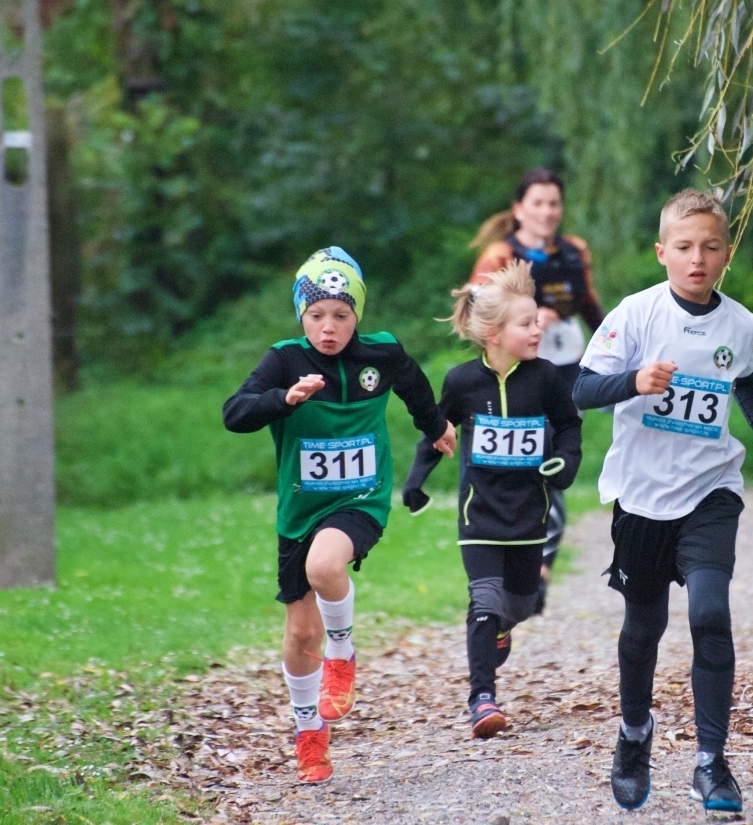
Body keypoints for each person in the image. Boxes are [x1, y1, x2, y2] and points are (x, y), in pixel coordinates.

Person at [573, 189, 753, 817]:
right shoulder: (636, 315)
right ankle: (634, 735)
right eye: (686, 247)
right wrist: (633, 382)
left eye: (711, 247)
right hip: (642, 496)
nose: (698, 258)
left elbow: (743, 378)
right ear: (662, 252)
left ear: (726, 254)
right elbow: (581, 388)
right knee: (644, 628)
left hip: (710, 490)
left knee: (709, 613)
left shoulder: (741, 323)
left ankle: (711, 763)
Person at [224, 247, 455, 784]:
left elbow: (416, 386)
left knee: (326, 567)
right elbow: (235, 413)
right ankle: (310, 737)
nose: (329, 328)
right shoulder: (284, 360)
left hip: (360, 499)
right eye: (316, 316)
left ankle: (344, 655)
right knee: (301, 633)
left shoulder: (381, 354)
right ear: (301, 317)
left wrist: (435, 425)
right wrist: (285, 398)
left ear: (359, 315)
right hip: (299, 510)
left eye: (341, 315)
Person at [401, 262, 583, 737]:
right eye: (526, 323)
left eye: (536, 319)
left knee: (519, 604)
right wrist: (417, 481)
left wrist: (566, 461)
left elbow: (569, 426)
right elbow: (437, 433)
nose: (538, 327)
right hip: (478, 516)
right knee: (483, 599)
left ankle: (502, 627)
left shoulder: (544, 378)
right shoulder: (462, 383)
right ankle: (482, 698)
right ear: (493, 333)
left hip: (528, 517)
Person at [469, 169, 603, 610]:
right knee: (515, 469)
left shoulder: (574, 251)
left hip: (564, 372)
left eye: (554, 204)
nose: (547, 212)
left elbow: (589, 306)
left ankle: (540, 572)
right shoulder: (499, 254)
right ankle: (509, 568)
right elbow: (474, 317)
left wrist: (619, 352)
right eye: (538, 203)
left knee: (553, 469)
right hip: (513, 375)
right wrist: (526, 319)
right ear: (518, 208)